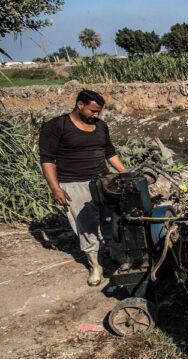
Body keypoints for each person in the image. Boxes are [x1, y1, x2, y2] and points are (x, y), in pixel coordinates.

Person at [39, 89, 127, 286]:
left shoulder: (100, 126)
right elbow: (47, 160)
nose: (96, 115)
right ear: (80, 105)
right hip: (74, 184)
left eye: (99, 112)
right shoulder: (56, 126)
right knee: (86, 227)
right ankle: (95, 266)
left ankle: (117, 256)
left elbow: (110, 153)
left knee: (112, 221)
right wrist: (56, 188)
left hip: (104, 182)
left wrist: (125, 172)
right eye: (93, 111)